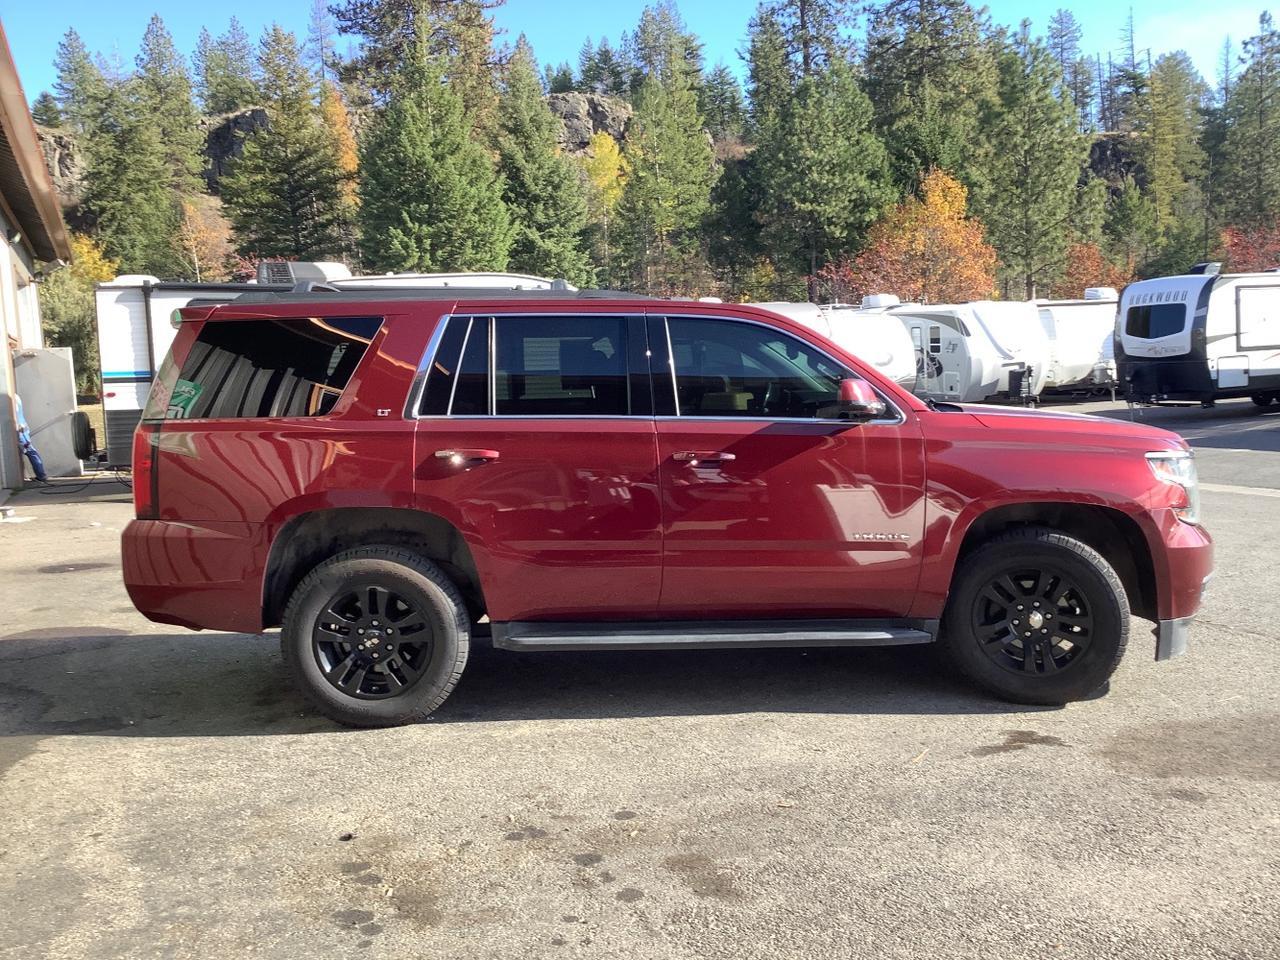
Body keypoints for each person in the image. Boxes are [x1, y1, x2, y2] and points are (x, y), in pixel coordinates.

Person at [14, 393, 48, 483]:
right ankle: (41, 475)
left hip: (20, 430)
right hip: (23, 428)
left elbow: (15, 414)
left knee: (30, 452)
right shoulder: (16, 397)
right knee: (31, 452)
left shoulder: (12, 399)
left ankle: (41, 476)